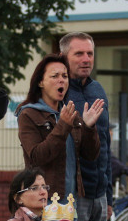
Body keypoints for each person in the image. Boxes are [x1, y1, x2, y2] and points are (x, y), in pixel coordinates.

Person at [60, 32, 111, 221]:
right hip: (73, 192)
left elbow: (107, 145)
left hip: (99, 193)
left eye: (89, 53)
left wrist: (109, 196)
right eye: (78, 54)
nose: (86, 59)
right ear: (64, 57)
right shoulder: (59, 91)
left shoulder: (97, 90)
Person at [16, 54, 103, 198]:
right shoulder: (29, 114)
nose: (61, 80)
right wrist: (63, 125)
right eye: (55, 76)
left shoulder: (69, 113)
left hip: (72, 199)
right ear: (41, 82)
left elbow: (91, 154)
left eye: (65, 76)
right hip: (44, 198)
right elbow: (37, 157)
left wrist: (88, 127)